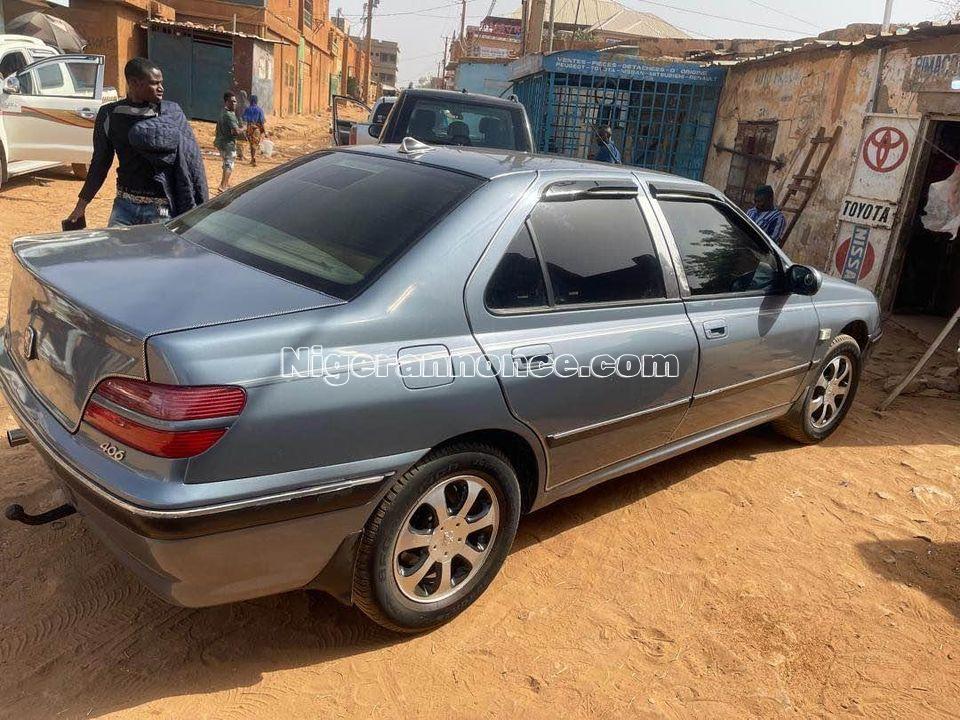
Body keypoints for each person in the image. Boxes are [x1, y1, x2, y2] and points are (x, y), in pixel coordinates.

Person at [65, 57, 208, 228]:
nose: (161, 88)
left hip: (161, 210)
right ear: (133, 83)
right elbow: (100, 163)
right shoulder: (109, 115)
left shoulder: (170, 113)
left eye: (161, 83)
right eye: (154, 83)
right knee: (117, 253)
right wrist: (81, 207)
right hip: (124, 207)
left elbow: (192, 161)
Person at [214, 91, 244, 192]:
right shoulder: (230, 115)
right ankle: (223, 186)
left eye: (235, 102)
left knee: (226, 164)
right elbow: (236, 131)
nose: (234, 103)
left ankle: (225, 184)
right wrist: (244, 128)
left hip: (221, 143)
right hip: (228, 144)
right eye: (232, 101)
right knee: (229, 165)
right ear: (226, 102)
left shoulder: (223, 113)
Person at [241, 94, 267, 166]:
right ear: (257, 101)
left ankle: (252, 159)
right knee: (255, 144)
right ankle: (253, 158)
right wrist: (265, 132)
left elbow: (244, 119)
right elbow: (262, 122)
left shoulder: (247, 109)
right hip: (256, 129)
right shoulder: (260, 110)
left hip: (249, 128)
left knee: (251, 144)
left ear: (250, 101)